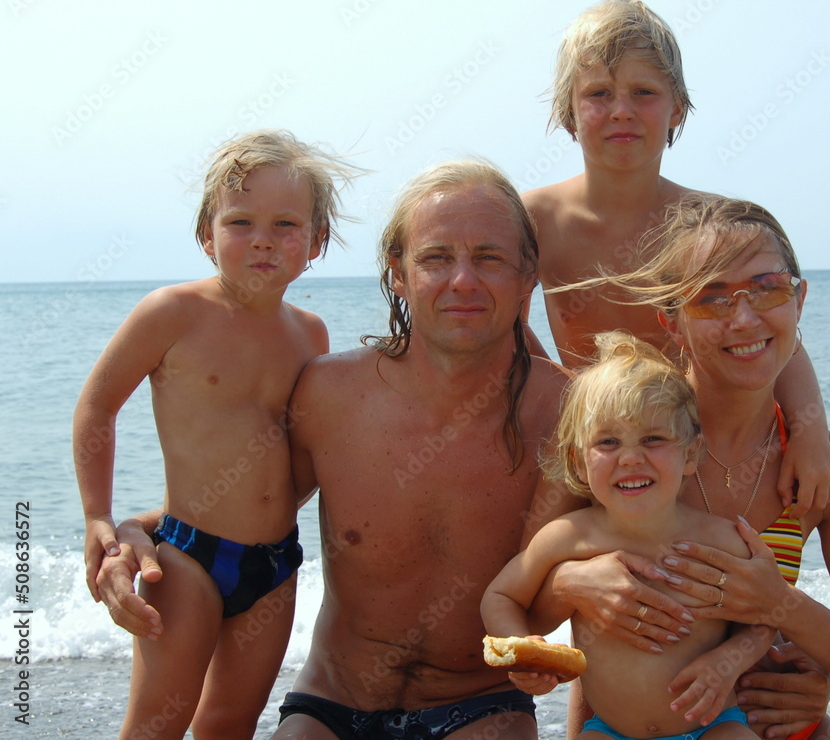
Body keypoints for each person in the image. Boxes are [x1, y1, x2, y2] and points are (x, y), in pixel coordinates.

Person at [94, 160, 573, 740]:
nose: (463, 281)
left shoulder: (568, 414)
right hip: (332, 703)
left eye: (490, 258)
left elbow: (628, 529)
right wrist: (142, 531)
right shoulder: (330, 393)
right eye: (436, 257)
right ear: (397, 272)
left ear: (529, 276)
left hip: (481, 704)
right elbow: (252, 504)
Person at [535, 197, 830, 739]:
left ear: (798, 300)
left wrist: (785, 611)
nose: (744, 318)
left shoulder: (824, 466)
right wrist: (570, 583)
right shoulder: (623, 445)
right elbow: (563, 621)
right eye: (710, 300)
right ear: (673, 321)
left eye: (767, 289)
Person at [73, 129, 355, 739]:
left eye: (286, 224)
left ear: (317, 242)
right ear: (206, 234)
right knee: (157, 722)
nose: (262, 239)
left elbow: (291, 459)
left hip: (276, 564)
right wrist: (101, 516)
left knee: (230, 723)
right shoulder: (173, 313)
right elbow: (97, 408)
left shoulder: (311, 335)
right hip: (187, 560)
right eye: (240, 222)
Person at [522, 0, 830, 521]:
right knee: (567, 569)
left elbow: (773, 329)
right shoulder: (537, 220)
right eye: (599, 93)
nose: (621, 109)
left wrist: (811, 434)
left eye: (643, 92)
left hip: (698, 437)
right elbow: (509, 335)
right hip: (605, 439)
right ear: (568, 113)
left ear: (676, 108)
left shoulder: (708, 224)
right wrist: (571, 397)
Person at [482, 331, 769, 739]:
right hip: (611, 731)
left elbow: (765, 618)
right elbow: (501, 596)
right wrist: (522, 653)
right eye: (608, 442)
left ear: (690, 454)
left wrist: (728, 660)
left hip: (713, 726)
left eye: (653, 439)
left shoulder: (724, 540)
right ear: (578, 463)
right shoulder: (568, 537)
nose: (631, 458)